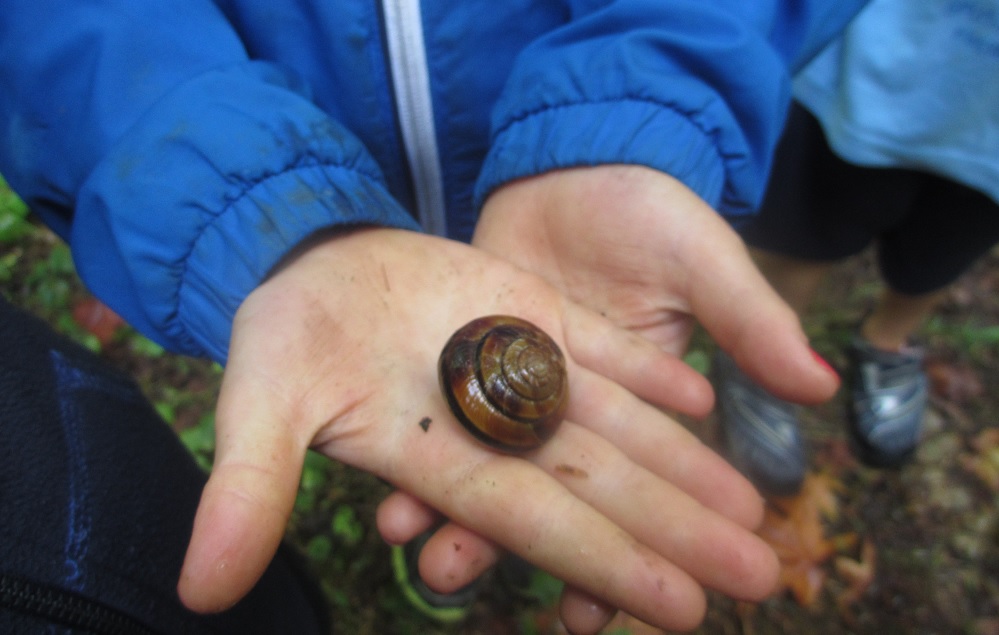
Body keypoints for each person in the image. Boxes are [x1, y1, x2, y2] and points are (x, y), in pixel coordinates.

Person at [0, 2, 864, 632]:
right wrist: (254, 214)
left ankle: (467, 546)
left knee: (483, 470)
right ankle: (446, 535)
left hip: (526, 167)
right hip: (326, 188)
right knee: (405, 435)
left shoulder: (505, 361)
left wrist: (635, 110)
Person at [715, 0, 999, 496]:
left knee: (942, 250)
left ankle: (887, 344)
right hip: (867, 70)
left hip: (985, 140)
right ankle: (761, 358)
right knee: (804, 233)